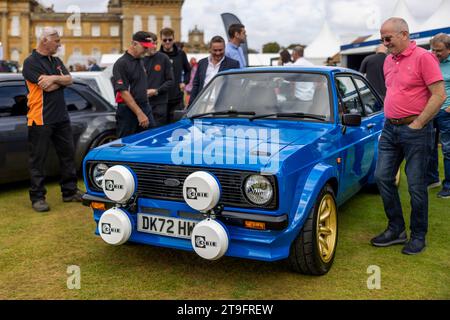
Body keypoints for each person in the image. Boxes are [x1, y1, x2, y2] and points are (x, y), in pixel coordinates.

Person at [371, 18, 446, 255]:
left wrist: (419, 123)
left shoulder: (424, 57)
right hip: (390, 129)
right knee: (382, 178)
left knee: (416, 186)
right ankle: (396, 229)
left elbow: (439, 94)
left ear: (404, 34)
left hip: (416, 131)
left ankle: (418, 235)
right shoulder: (388, 61)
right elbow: (393, 93)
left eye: (388, 38)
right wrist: (388, 120)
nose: (384, 43)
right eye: (382, 38)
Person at [22, 27, 83, 212]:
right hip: (40, 118)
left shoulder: (55, 61)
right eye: (56, 41)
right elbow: (46, 87)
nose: (59, 44)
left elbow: (70, 79)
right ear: (45, 40)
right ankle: (37, 198)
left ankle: (70, 192)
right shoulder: (30, 62)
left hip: (61, 117)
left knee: (67, 155)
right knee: (38, 160)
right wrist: (60, 80)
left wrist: (55, 77)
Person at [112, 31, 156, 138]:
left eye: (148, 47)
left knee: (152, 139)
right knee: (127, 145)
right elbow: (123, 92)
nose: (146, 50)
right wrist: (139, 113)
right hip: (128, 111)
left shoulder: (140, 60)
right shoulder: (121, 63)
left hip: (144, 106)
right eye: (144, 47)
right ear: (134, 44)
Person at [427, 33, 450, 198]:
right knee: (429, 147)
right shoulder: (429, 59)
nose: (435, 53)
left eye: (439, 50)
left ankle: (448, 186)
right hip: (430, 110)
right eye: (433, 49)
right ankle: (432, 179)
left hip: (446, 112)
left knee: (448, 150)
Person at [188, 36, 240, 106]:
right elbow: (196, 85)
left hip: (222, 106)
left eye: (220, 50)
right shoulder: (202, 63)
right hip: (201, 105)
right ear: (210, 49)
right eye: (215, 50)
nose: (218, 53)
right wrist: (190, 105)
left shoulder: (233, 64)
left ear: (224, 49)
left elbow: (236, 87)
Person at [159, 28, 191, 123]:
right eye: (165, 40)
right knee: (162, 129)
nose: (167, 42)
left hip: (177, 99)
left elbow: (188, 71)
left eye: (170, 39)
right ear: (161, 40)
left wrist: (184, 82)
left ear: (173, 39)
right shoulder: (158, 55)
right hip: (161, 99)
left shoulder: (181, 54)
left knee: (176, 128)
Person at [143, 32, 174, 127]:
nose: (155, 46)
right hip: (143, 104)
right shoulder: (139, 60)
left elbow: (170, 81)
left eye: (156, 43)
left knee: (158, 131)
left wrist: (156, 91)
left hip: (160, 104)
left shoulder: (163, 58)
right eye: (152, 43)